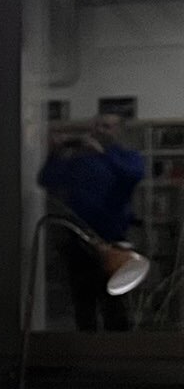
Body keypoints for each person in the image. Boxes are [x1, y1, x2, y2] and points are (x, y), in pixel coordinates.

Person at [38, 114, 147, 329]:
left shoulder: (127, 157)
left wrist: (104, 153)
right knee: (83, 304)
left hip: (114, 241)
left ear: (119, 131)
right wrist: (55, 153)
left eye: (106, 126)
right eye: (97, 126)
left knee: (115, 305)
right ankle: (87, 345)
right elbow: (47, 180)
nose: (100, 130)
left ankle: (119, 345)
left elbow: (133, 175)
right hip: (80, 241)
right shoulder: (81, 159)